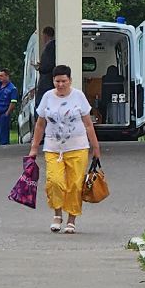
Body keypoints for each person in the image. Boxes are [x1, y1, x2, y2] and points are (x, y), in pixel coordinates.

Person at [29, 64, 102, 233]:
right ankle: (57, 214)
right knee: (54, 181)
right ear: (53, 81)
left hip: (78, 147)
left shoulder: (78, 96)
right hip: (53, 147)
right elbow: (40, 125)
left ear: (70, 80)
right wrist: (34, 147)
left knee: (75, 184)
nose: (60, 85)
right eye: (57, 81)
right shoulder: (48, 97)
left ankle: (71, 219)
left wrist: (96, 148)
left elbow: (88, 125)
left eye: (64, 81)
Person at [35, 25, 57, 105]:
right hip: (49, 81)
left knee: (41, 103)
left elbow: (47, 65)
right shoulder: (53, 46)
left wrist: (40, 67)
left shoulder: (49, 47)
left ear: (45, 35)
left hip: (46, 82)